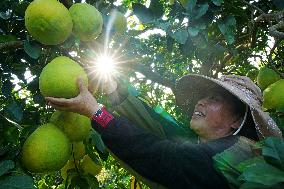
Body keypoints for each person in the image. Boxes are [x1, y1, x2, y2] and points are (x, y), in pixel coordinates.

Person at [46, 74, 282, 189]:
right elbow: (160, 125)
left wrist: (96, 112)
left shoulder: (235, 155)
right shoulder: (218, 146)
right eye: (203, 96)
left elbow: (159, 155)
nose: (200, 102)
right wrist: (116, 91)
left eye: (214, 98)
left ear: (237, 120)